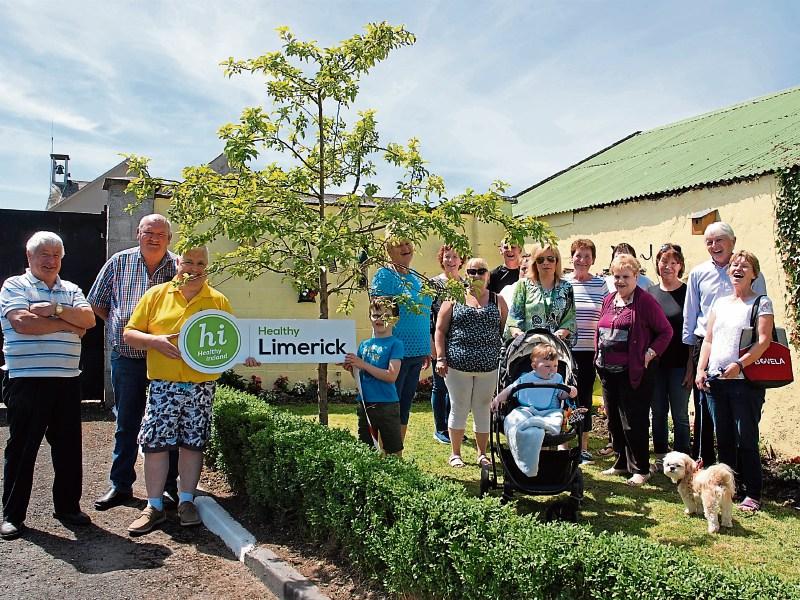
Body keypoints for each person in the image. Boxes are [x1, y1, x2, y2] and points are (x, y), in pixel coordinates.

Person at [123, 247, 253, 534]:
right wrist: (154, 341)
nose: (194, 268)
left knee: (193, 444)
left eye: (201, 263)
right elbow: (129, 333)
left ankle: (186, 501)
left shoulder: (218, 301)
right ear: (178, 264)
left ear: (207, 267)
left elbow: (233, 342)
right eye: (188, 262)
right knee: (156, 445)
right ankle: (154, 506)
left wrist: (248, 354)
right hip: (164, 385)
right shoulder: (157, 295)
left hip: (201, 386)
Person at [1, 232, 96, 540]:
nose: (50, 260)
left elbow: (89, 320)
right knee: (22, 449)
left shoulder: (71, 289)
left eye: (56, 254)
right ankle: (12, 515)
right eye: (44, 253)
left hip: (67, 380)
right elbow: (22, 322)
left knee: (68, 447)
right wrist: (68, 324)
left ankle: (68, 507)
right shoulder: (15, 286)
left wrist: (54, 310)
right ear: (29, 256)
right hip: (27, 379)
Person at [88, 214, 181, 511]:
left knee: (168, 423)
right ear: (138, 234)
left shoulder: (179, 267)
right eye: (148, 232)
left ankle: (168, 488)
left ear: (169, 239)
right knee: (127, 421)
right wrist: (121, 326)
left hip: (166, 359)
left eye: (160, 234)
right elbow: (97, 302)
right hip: (127, 357)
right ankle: (120, 485)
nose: (154, 238)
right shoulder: (119, 262)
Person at [683, 222, 766, 468]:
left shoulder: (750, 272)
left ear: (733, 241)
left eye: (719, 240)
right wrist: (692, 361)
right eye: (709, 241)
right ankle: (707, 466)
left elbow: (761, 311)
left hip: (742, 348)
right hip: (706, 345)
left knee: (742, 417)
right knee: (705, 412)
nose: (714, 246)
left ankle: (739, 470)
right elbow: (690, 314)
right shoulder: (698, 273)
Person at [695, 250, 773, 513]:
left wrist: (739, 364)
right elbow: (708, 339)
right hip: (717, 382)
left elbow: (763, 341)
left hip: (744, 382)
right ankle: (729, 489)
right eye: (734, 265)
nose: (738, 269)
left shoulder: (761, 303)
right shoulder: (720, 303)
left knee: (746, 439)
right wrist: (701, 369)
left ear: (754, 274)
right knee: (724, 439)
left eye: (744, 266)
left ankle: (753, 493)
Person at [596, 254, 672, 486]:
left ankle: (641, 468)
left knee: (633, 421)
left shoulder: (645, 301)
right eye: (616, 276)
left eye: (625, 277)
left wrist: (650, 353)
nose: (620, 281)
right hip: (607, 371)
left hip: (633, 372)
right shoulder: (609, 299)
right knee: (614, 420)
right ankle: (621, 463)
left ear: (636, 277)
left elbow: (666, 331)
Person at [435, 257, 507, 468]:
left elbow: (504, 331)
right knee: (459, 407)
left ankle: (482, 454)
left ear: (488, 275)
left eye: (481, 271)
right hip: (457, 366)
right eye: (472, 271)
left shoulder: (498, 300)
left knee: (482, 409)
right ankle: (455, 454)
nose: (476, 275)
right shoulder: (453, 298)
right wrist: (440, 358)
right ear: (466, 275)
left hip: (489, 367)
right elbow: (440, 330)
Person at [370, 237, 432, 442]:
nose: (406, 248)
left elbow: (423, 314)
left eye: (408, 244)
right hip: (394, 353)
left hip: (416, 352)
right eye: (399, 245)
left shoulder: (415, 277)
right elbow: (379, 315)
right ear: (389, 250)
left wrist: (426, 346)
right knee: (389, 406)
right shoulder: (384, 276)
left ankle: (396, 452)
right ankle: (383, 452)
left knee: (404, 406)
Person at [492, 343, 579, 477]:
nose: (552, 370)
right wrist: (498, 399)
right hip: (527, 410)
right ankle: (526, 436)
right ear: (534, 366)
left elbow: (561, 394)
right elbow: (510, 390)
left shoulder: (558, 378)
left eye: (555, 366)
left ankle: (543, 428)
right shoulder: (525, 378)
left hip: (550, 412)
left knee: (557, 416)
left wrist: (570, 392)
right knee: (515, 416)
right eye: (547, 366)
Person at [648, 244, 693, 467]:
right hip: (655, 365)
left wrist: (691, 366)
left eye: (673, 262)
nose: (668, 266)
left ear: (680, 266)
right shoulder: (650, 293)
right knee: (657, 413)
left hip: (680, 365)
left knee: (680, 415)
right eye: (664, 261)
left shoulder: (688, 293)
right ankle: (660, 457)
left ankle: (683, 461)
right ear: (657, 264)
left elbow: (693, 332)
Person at [565, 239, 608, 463]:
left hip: (589, 351)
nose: (582, 260)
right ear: (571, 257)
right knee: (562, 395)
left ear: (593, 259)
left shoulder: (600, 285)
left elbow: (607, 315)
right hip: (564, 351)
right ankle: (563, 444)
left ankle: (582, 447)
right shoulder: (563, 283)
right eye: (578, 255)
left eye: (587, 256)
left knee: (584, 398)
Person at [343, 298, 404, 456]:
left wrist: (362, 364)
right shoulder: (364, 345)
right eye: (376, 315)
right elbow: (360, 376)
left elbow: (391, 376)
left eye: (386, 316)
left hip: (387, 405)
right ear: (369, 317)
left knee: (393, 449)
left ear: (395, 319)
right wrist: (352, 369)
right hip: (365, 404)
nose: (380, 319)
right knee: (366, 448)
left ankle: (397, 471)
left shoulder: (396, 344)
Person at [506, 243, 576, 345]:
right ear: (535, 263)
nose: (545, 263)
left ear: (557, 262)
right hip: (528, 346)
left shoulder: (566, 288)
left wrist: (559, 334)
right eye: (540, 260)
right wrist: (518, 334)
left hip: (556, 347)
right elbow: (514, 318)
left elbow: (570, 320)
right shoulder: (523, 285)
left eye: (550, 259)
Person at [429, 245, 465, 444]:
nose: (450, 260)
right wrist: (431, 344)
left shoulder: (466, 285)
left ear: (461, 260)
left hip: (460, 344)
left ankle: (454, 427)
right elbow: (427, 315)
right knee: (440, 386)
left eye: (455, 257)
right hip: (439, 341)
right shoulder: (433, 284)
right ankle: (440, 428)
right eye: (447, 256)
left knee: (456, 388)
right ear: (441, 259)